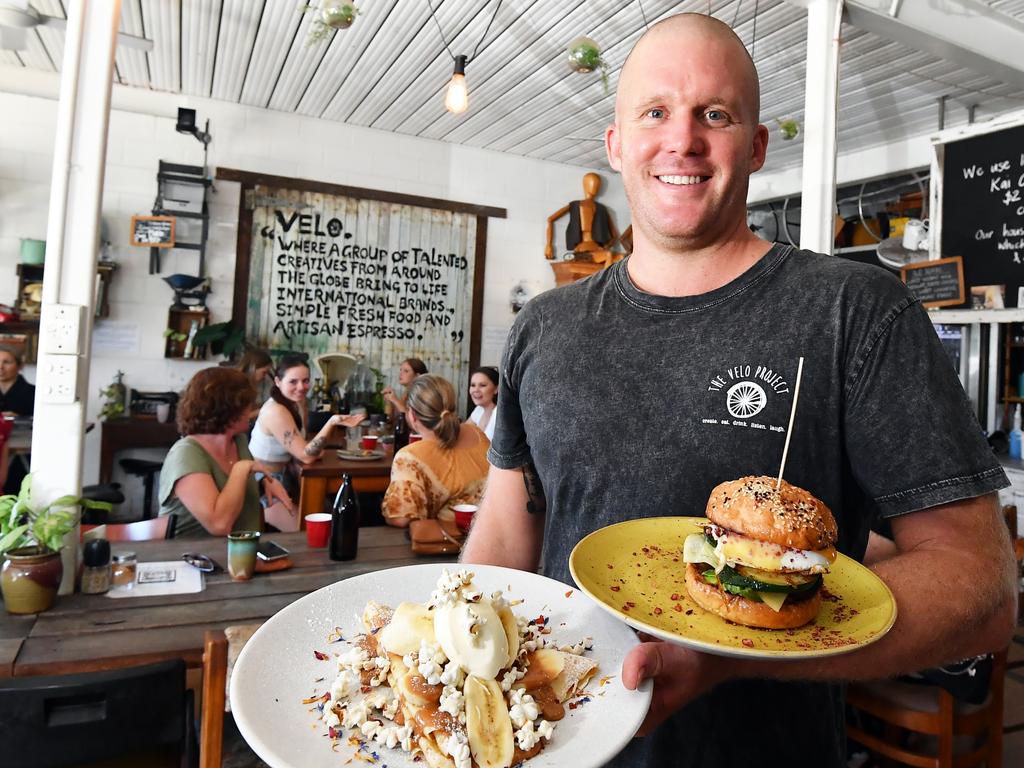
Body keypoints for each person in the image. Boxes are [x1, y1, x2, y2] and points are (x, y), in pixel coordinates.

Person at [462, 13, 1016, 768]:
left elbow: (981, 590)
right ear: (617, 144)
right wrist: (455, 667)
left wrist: (734, 656)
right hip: (555, 745)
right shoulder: (543, 327)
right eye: (655, 112)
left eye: (713, 115)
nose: (682, 139)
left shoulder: (854, 312)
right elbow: (504, 537)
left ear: (755, 146)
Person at [158, 367, 293, 538]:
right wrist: (242, 469)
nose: (251, 409)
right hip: (191, 559)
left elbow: (234, 490)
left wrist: (263, 483)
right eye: (246, 403)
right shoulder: (186, 454)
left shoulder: (239, 441)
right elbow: (220, 525)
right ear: (227, 409)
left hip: (240, 555)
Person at [381, 374, 489, 528]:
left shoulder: (409, 457)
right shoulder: (476, 433)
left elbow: (401, 518)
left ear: (411, 415)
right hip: (494, 533)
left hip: (449, 542)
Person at [249, 354, 362, 472]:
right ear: (278, 381)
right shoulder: (275, 411)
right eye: (293, 381)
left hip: (287, 474)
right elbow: (307, 456)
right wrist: (332, 422)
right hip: (265, 480)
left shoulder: (297, 402)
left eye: (305, 381)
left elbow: (305, 446)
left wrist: (310, 451)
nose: (301, 387)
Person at [544, 172, 623, 267]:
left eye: (598, 184)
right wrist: (549, 245)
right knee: (608, 254)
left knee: (622, 257)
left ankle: (611, 278)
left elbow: (615, 236)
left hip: (598, 249)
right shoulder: (575, 205)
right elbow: (550, 219)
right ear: (585, 184)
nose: (595, 186)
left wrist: (606, 246)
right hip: (582, 251)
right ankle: (605, 281)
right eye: (592, 182)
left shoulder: (601, 209)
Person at [0, 345, 35, 417]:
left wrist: (20, 419)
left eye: (6, 362)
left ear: (20, 366)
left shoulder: (34, 393)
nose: (1, 367)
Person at [466, 366, 498, 441]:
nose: (476, 390)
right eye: (473, 385)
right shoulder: (479, 409)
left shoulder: (500, 415)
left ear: (496, 389)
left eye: (482, 385)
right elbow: (463, 431)